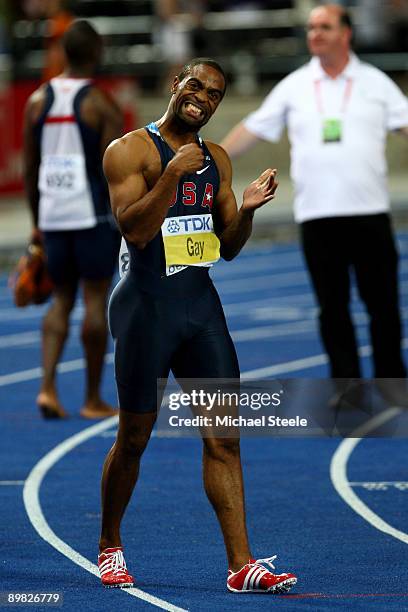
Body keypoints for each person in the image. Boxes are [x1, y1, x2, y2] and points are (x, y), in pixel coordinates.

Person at [97, 58, 297, 594]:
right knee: (134, 436)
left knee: (224, 440)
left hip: (200, 309)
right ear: (175, 85)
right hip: (146, 311)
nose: (202, 98)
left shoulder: (220, 160)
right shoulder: (129, 151)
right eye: (195, 85)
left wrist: (247, 209)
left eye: (213, 94)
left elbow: (226, 248)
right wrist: (171, 174)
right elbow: (135, 230)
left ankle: (241, 565)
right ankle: (110, 544)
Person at [221, 4, 408, 392]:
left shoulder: (375, 82)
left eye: (324, 26)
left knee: (384, 308)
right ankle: (347, 390)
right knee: (332, 310)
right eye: (310, 27)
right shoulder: (295, 85)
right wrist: (211, 158)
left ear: (346, 33)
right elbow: (253, 128)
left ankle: (393, 388)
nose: (315, 33)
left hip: (368, 213)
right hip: (316, 216)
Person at [22, 19, 123, 419]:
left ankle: (47, 388)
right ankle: (92, 398)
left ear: (64, 52)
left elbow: (31, 168)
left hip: (52, 216)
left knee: (61, 300)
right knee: (95, 299)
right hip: (93, 217)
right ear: (97, 52)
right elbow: (115, 171)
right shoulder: (101, 104)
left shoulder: (35, 101)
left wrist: (37, 220)